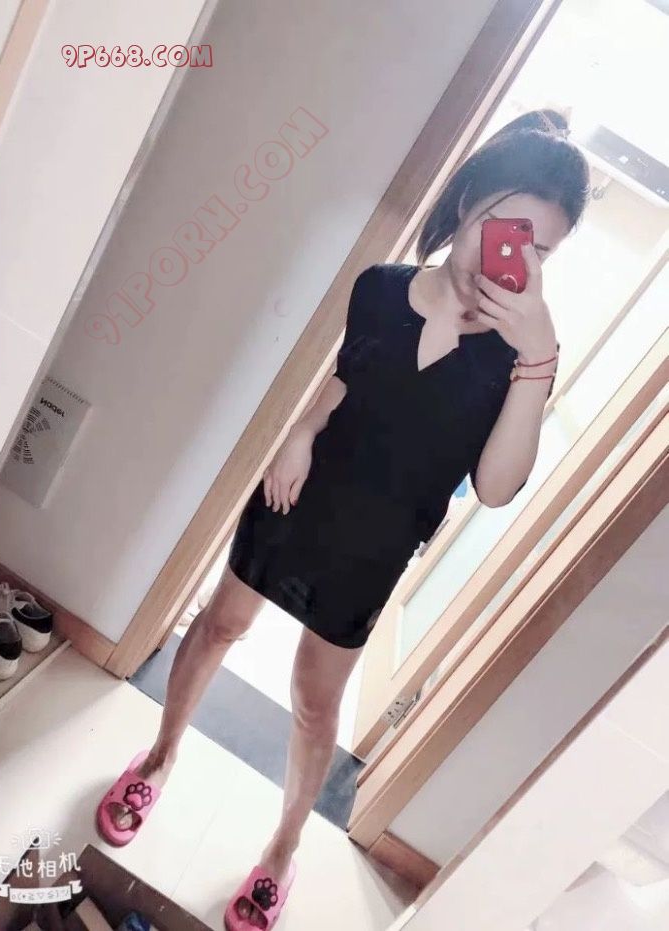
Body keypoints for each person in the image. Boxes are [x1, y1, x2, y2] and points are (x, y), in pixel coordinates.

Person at [96, 109, 589, 929]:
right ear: (469, 198)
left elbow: (497, 486)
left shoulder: (520, 354)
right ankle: (158, 756)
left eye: (542, 251)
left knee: (314, 702)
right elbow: (345, 380)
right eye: (512, 231)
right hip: (299, 496)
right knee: (218, 626)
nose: (519, 261)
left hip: (374, 546)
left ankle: (282, 849)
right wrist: (299, 433)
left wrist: (539, 358)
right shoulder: (382, 288)